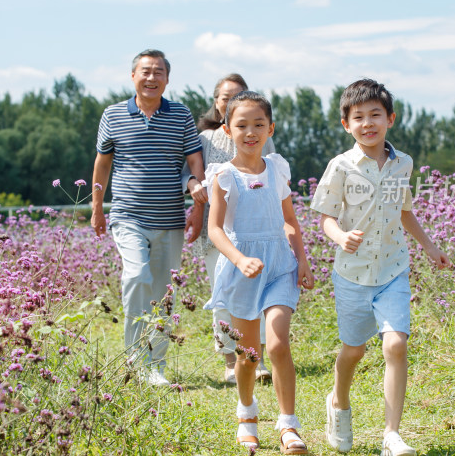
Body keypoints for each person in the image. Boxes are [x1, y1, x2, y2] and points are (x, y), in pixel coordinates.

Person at [310, 79, 451, 456]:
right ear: (346, 124)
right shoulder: (340, 167)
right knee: (353, 351)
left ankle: (391, 435)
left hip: (392, 269)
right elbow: (325, 218)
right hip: (352, 275)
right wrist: (340, 237)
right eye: (359, 117)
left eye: (375, 115)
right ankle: (338, 400)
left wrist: (429, 247)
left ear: (390, 119)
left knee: (396, 345)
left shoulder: (402, 163)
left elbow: (404, 211)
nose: (368, 123)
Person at [204, 91, 315, 454]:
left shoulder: (277, 169)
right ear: (227, 129)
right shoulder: (223, 175)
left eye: (258, 125)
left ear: (270, 129)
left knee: (279, 343)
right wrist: (239, 260)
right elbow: (215, 230)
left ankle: (288, 425)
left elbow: (291, 222)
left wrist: (303, 260)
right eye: (241, 125)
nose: (250, 132)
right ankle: (247, 415)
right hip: (242, 270)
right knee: (249, 353)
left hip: (279, 265)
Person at [91, 49, 206, 386]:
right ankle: (135, 359)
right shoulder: (112, 115)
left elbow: (195, 164)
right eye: (145, 71)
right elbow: (102, 163)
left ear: (167, 79)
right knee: (136, 275)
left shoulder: (181, 115)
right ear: (133, 77)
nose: (152, 78)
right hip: (127, 215)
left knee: (162, 293)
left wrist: (197, 210)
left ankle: (155, 365)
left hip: (170, 218)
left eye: (158, 72)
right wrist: (97, 206)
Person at [184, 73, 275, 384]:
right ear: (216, 103)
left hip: (257, 228)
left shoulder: (263, 136)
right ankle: (228, 361)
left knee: (258, 294)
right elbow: (190, 173)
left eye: (240, 96)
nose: (232, 102)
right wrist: (193, 185)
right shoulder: (204, 139)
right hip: (219, 231)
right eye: (226, 97)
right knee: (223, 293)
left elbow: (273, 176)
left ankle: (256, 359)